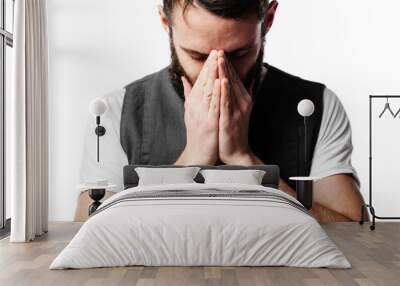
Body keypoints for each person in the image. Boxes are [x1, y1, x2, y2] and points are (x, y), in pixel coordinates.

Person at [78, 0, 366, 222]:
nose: (219, 73)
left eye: (239, 54)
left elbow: (353, 233)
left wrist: (247, 162)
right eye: (198, 56)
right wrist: (192, 160)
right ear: (166, 23)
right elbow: (86, 232)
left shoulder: (314, 106)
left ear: (268, 19)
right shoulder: (116, 111)